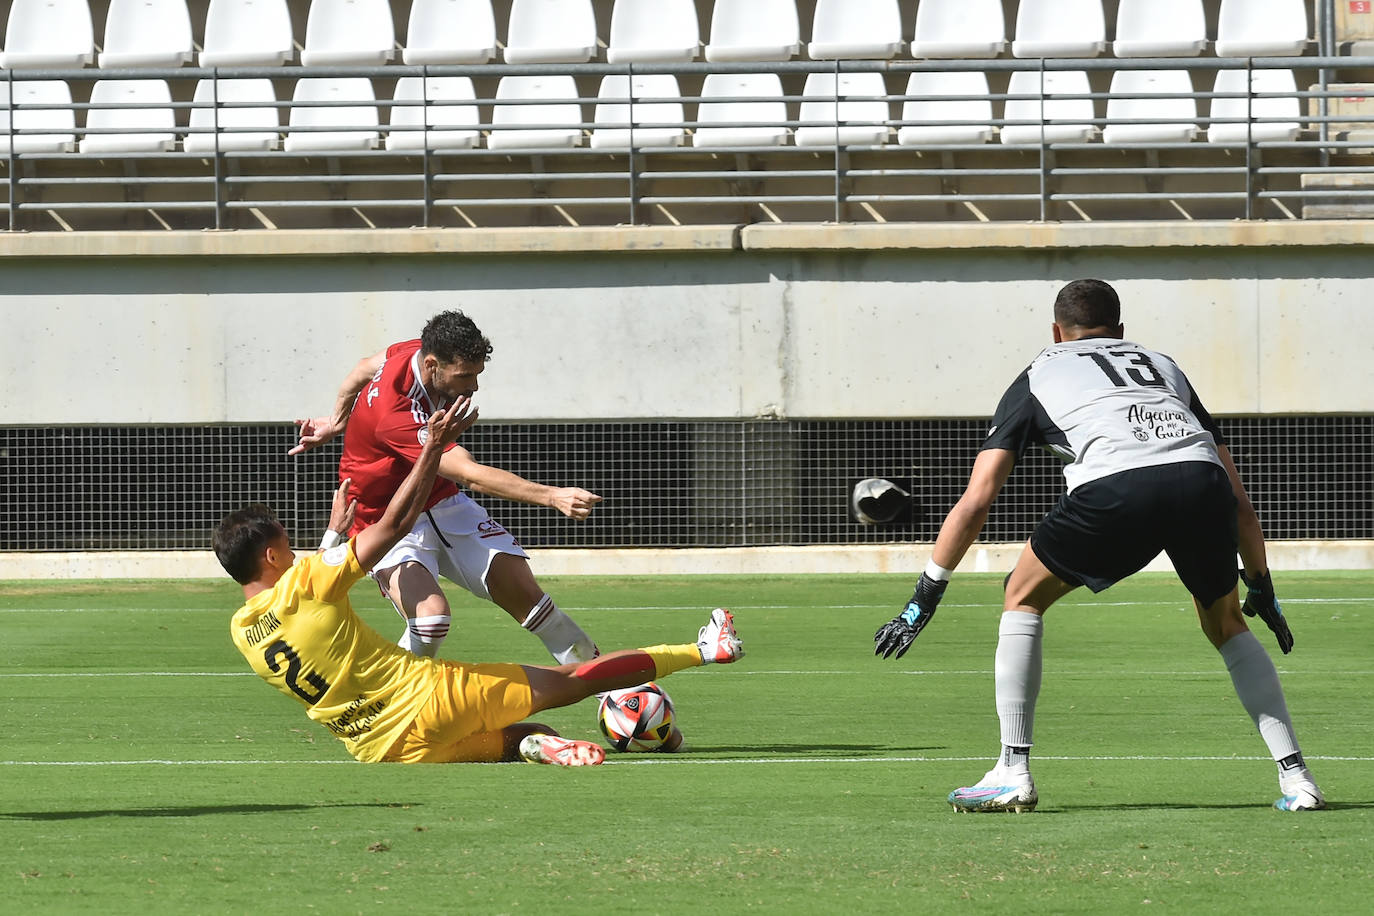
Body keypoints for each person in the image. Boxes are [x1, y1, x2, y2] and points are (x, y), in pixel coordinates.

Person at [873, 278, 1325, 813]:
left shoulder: (1040, 370)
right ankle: (1299, 781)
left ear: (1057, 332)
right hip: (1202, 485)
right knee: (1227, 622)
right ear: (1122, 331)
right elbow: (1240, 500)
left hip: (1118, 489)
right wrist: (1261, 584)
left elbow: (977, 499)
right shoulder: (1164, 366)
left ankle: (1012, 770)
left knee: (1022, 595)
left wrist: (923, 597)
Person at [216, 397, 745, 765]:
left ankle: (542, 750)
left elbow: (304, 598)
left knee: (529, 736)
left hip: (386, 749)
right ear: (271, 554)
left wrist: (331, 534)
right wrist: (432, 450)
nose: (295, 550)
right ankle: (705, 649)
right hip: (434, 698)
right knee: (576, 680)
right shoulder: (307, 581)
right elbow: (392, 526)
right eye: (287, 544)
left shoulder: (242, 634)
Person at [288, 310, 602, 667]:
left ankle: (616, 694)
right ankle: (394, 701)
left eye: (477, 374)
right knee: (431, 620)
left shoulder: (412, 351)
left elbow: (361, 369)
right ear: (434, 365)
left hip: (441, 500)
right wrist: (552, 495)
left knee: (533, 603)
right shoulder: (394, 416)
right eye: (465, 375)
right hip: (384, 519)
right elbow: (468, 474)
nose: (474, 386)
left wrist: (336, 421)